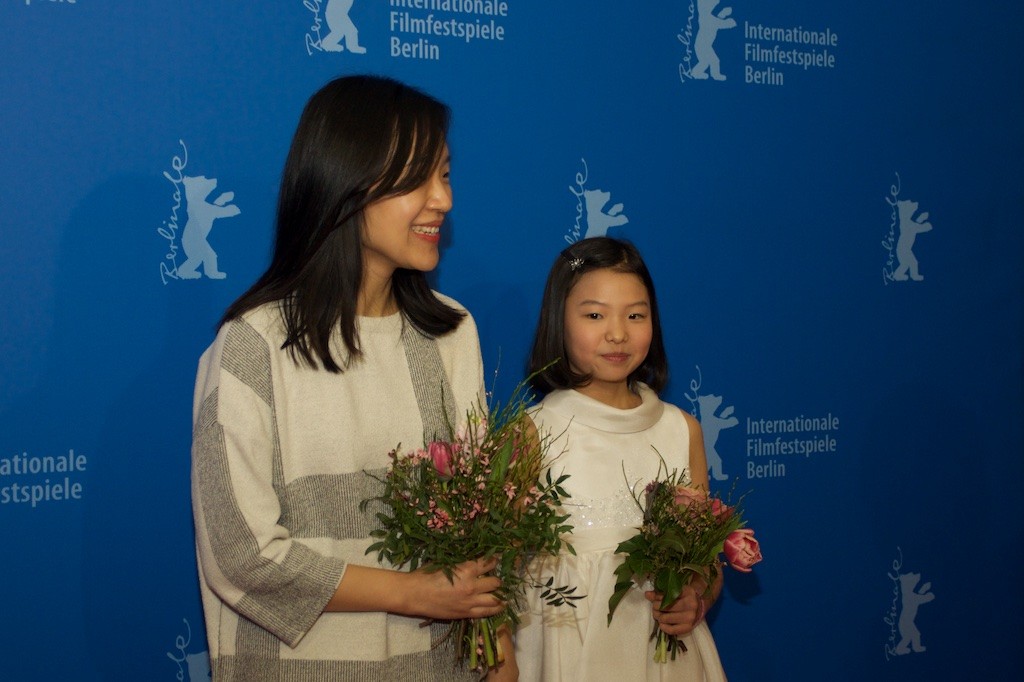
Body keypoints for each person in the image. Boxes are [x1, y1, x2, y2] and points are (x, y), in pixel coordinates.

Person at [190, 75, 516, 681]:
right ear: (345, 181)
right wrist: (412, 592)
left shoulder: (451, 333)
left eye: (444, 174)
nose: (442, 200)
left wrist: (498, 650)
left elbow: (478, 524)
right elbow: (241, 556)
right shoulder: (252, 345)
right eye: (417, 176)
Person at [515, 237, 727, 681]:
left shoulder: (681, 429)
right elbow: (500, 569)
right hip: (567, 652)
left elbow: (706, 564)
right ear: (559, 320)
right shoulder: (532, 432)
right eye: (594, 315)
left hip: (666, 660)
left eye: (636, 315)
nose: (617, 333)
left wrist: (696, 596)